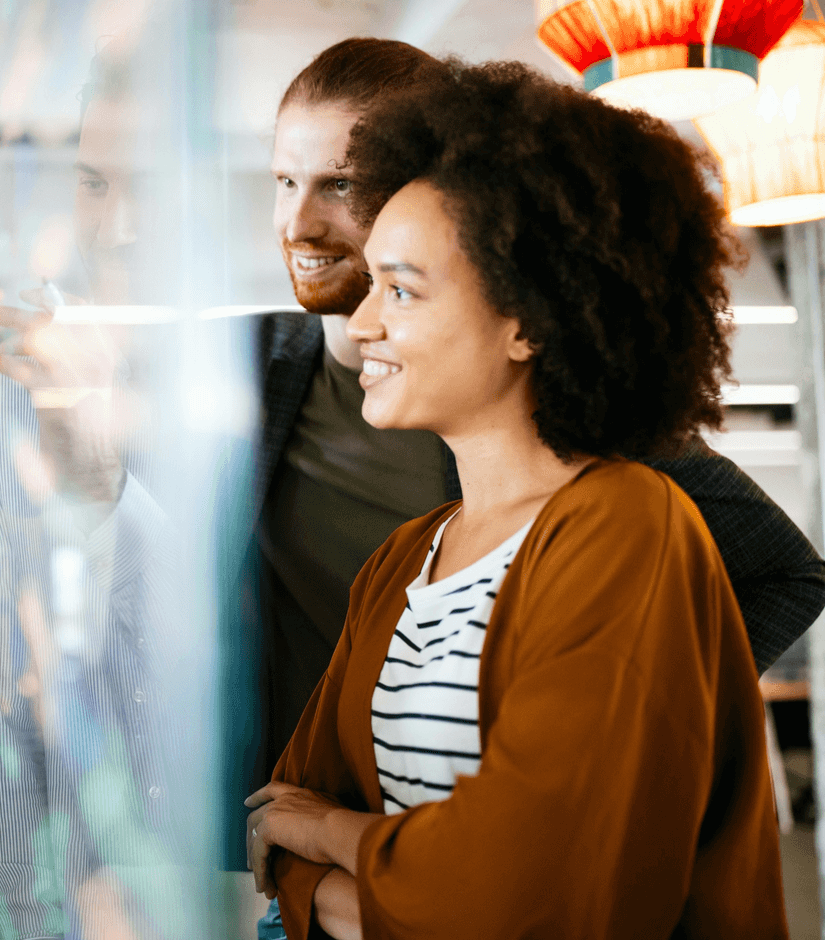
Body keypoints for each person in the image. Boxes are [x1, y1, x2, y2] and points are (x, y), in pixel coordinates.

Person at [224, 36, 825, 932]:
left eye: (406, 287)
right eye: (284, 181)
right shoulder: (401, 560)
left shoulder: (622, 511)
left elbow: (516, 890)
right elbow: (282, 834)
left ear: (521, 310)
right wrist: (346, 881)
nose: (300, 221)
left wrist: (652, 691)